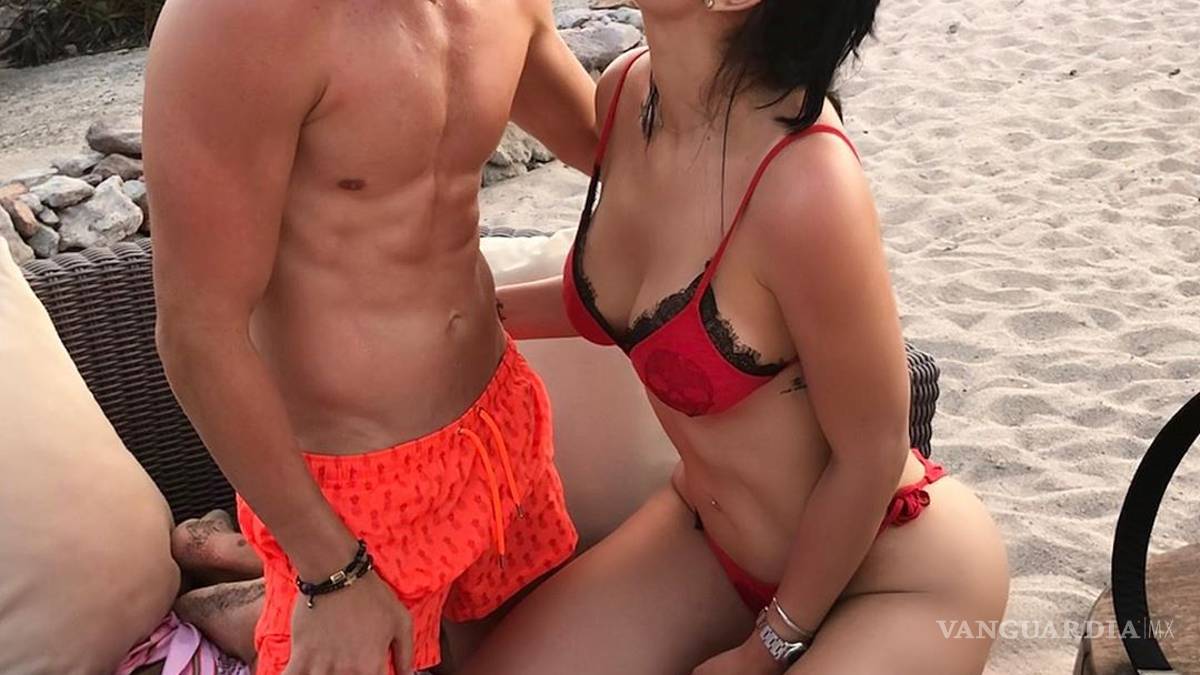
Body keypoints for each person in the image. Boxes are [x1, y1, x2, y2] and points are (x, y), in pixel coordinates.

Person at [479, 1, 1010, 673]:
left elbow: (872, 453)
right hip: (708, 537)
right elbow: (618, 300)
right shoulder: (627, 94)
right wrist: (471, 316)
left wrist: (766, 648)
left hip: (890, 569)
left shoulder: (807, 182)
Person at [143, 0, 597, 672]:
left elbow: (610, 146)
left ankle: (234, 575)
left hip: (500, 429)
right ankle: (252, 589)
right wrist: (330, 571)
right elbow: (196, 333)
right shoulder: (237, 21)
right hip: (354, 496)